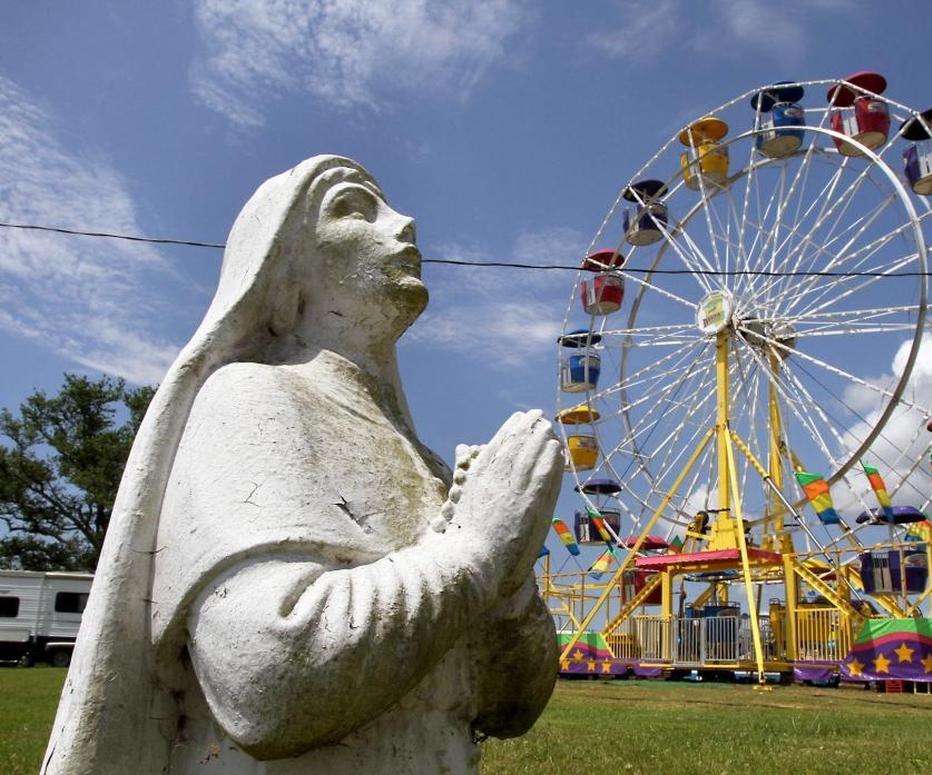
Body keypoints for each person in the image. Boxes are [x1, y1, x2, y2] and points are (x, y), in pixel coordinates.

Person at [42, 156, 562, 774]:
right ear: (284, 274)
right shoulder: (249, 398)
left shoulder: (424, 462)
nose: (407, 223)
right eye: (353, 208)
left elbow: (508, 709)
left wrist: (510, 578)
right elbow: (266, 684)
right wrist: (474, 552)